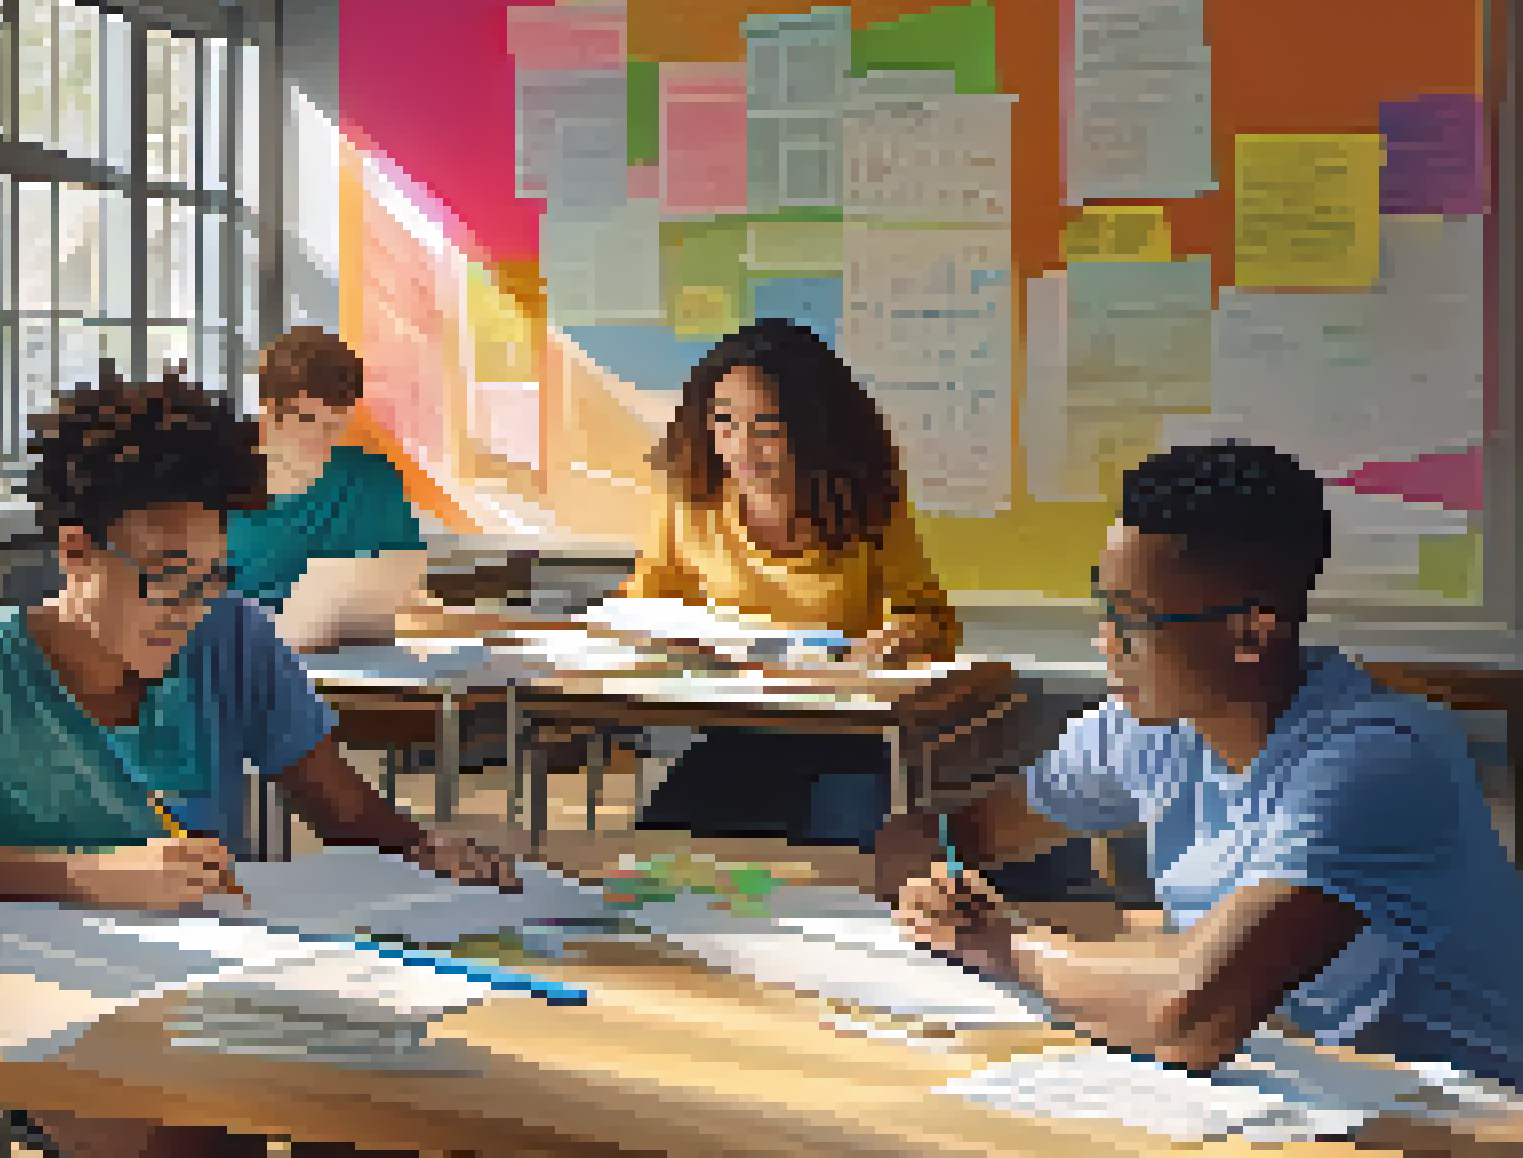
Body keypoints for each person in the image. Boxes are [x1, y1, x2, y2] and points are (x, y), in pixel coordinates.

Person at [0, 375, 518, 1158]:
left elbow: (340, 808)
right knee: (180, 1128)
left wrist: (422, 848)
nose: (190, 609)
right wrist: (86, 876)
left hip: (214, 973)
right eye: (166, 578)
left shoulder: (231, 635)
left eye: (211, 578)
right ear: (77, 552)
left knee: (392, 1105)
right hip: (36, 989)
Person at [875, 441, 1523, 1087]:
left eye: (1132, 622)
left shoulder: (1378, 759)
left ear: (1250, 634)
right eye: (1103, 611)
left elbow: (1189, 1016)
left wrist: (1000, 944)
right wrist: (933, 882)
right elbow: (938, 835)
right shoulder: (1150, 727)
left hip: (1458, 1113)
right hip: (1288, 1084)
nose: (1106, 645)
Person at [620, 318, 958, 846]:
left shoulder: (869, 508)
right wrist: (676, 647)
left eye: (768, 428)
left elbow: (931, 622)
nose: (742, 448)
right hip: (738, 737)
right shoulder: (691, 506)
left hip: (845, 739)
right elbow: (644, 614)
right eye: (725, 423)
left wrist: (900, 638)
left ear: (814, 428)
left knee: (846, 866)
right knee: (657, 855)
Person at [226, 327, 431, 651]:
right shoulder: (216, 479)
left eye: (335, 424)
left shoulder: (372, 480)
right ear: (270, 410)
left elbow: (400, 585)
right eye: (307, 420)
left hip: (352, 675)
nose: (322, 439)